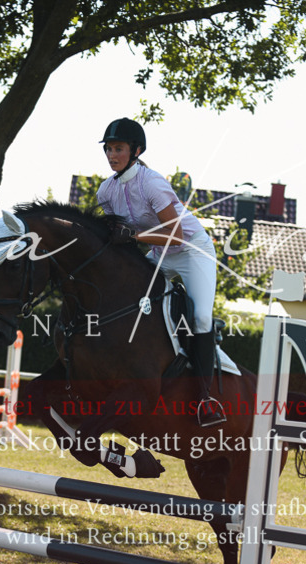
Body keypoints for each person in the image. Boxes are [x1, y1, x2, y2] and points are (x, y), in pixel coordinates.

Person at [95, 117, 225, 427]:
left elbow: (176, 235)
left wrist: (135, 237)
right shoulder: (106, 191)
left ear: (136, 150)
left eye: (119, 149)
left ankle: (205, 399)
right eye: (109, 149)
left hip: (192, 251)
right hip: (159, 252)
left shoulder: (151, 183)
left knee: (202, 318)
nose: (112, 155)